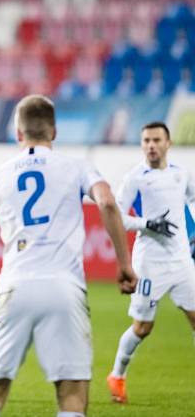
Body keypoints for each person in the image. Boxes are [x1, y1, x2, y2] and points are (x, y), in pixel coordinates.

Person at [0, 94, 137, 417]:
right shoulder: (77, 167)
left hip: (13, 287)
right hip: (64, 288)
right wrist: (124, 264)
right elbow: (108, 203)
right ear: (54, 132)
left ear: (18, 133)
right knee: (71, 396)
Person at [106, 121, 195, 404]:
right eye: (146, 141)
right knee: (143, 327)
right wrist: (147, 223)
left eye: (156, 140)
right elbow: (117, 216)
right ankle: (117, 375)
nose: (151, 146)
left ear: (168, 143)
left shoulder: (182, 174)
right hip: (149, 265)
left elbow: (193, 200)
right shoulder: (135, 178)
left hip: (181, 262)